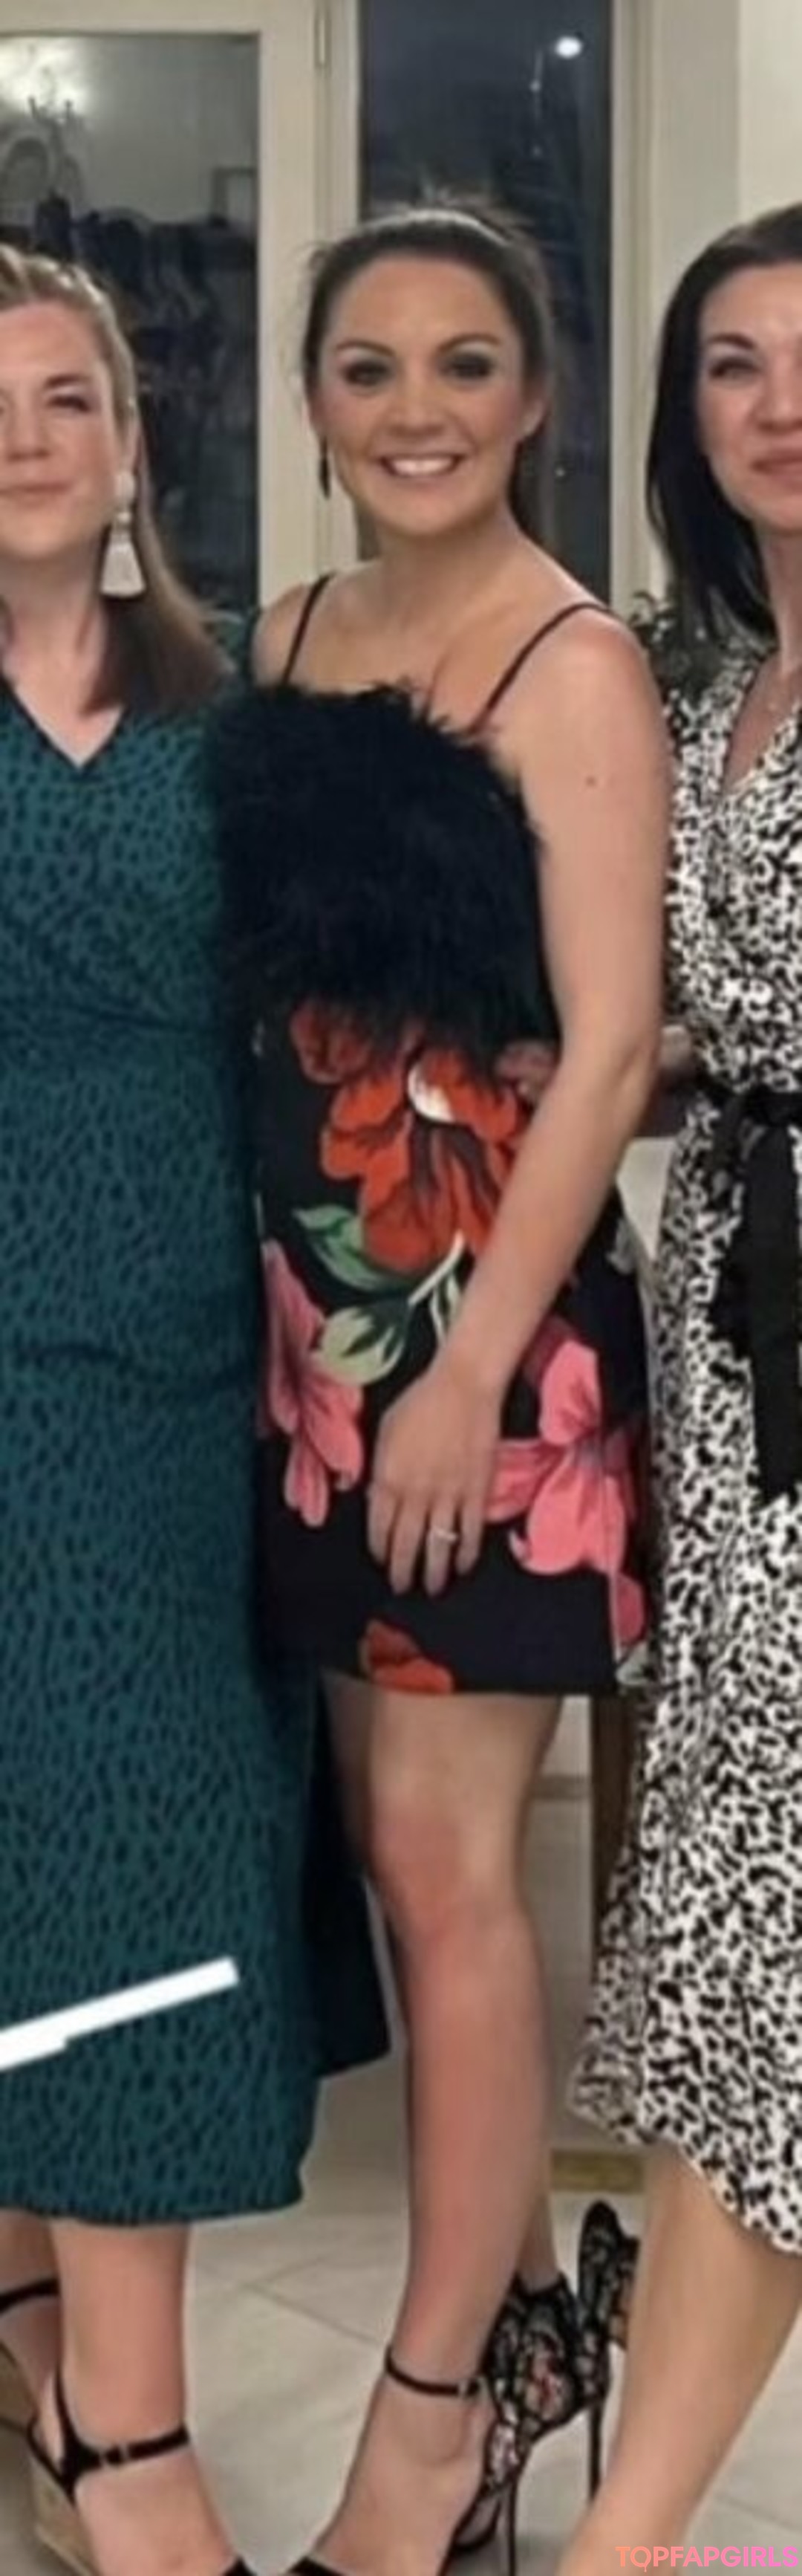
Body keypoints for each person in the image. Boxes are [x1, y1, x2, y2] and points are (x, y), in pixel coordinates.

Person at [209, 197, 668, 2576]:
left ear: (538, 397)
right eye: (369, 367)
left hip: (485, 1356)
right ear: (310, 404)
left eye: (466, 365)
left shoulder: (576, 667)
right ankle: (506, 2354)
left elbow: (608, 1053)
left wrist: (469, 1372)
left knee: (443, 1867)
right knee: (391, 1864)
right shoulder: (285, 639)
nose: (417, 412)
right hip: (310, 1354)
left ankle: (438, 2417)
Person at [0, 243, 384, 2576]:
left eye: (67, 395)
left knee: (143, 1845)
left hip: (174, 1388)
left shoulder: (239, 730)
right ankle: (79, 2374)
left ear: (135, 442)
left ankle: (100, 2400)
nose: (25, 437)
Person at [556, 203, 802, 2572]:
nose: (780, 403)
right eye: (734, 363)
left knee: (769, 1923)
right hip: (733, 1337)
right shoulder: (714, 681)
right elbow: (688, 1032)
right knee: (735, 1899)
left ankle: (628, 2533)